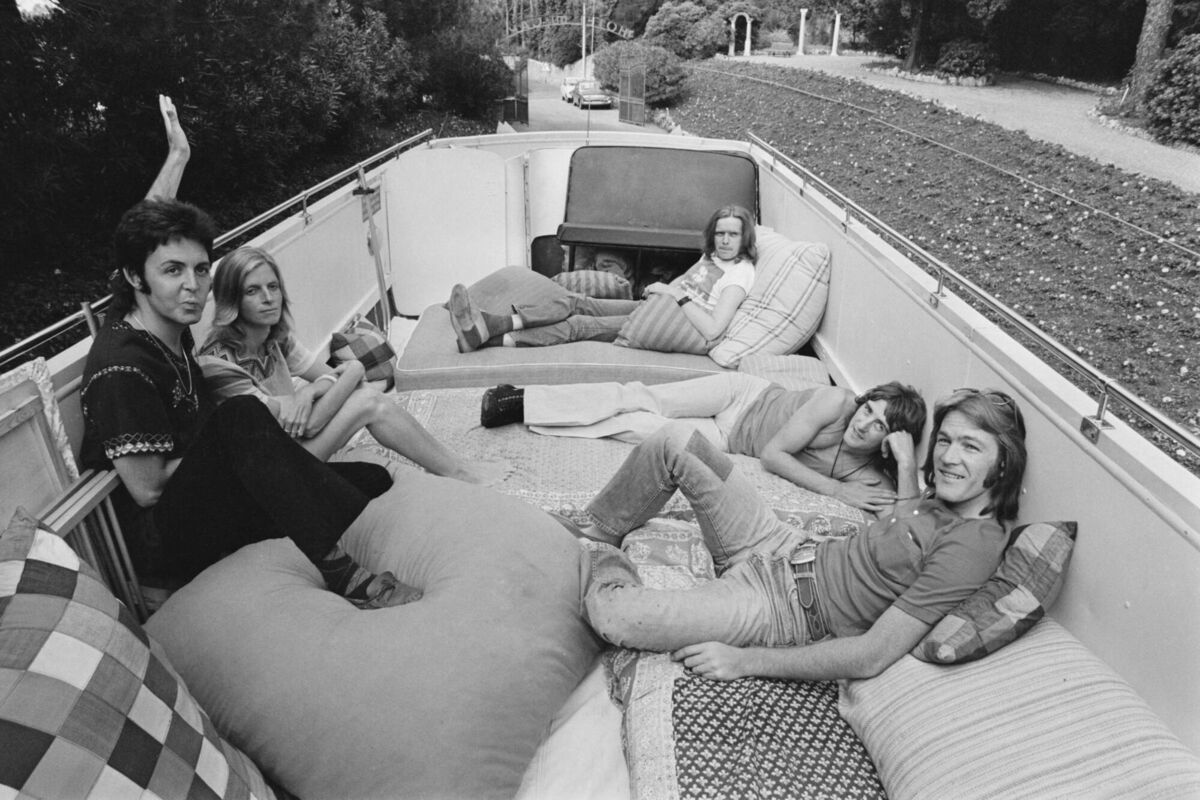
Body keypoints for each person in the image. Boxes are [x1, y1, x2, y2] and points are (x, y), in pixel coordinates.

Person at [79, 98, 404, 607]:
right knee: (240, 416)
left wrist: (178, 157)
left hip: (208, 499)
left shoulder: (166, 323)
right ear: (135, 278)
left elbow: (142, 236)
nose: (194, 287)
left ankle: (304, 522)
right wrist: (245, 457)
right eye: (173, 272)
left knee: (372, 477)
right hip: (163, 546)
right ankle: (345, 575)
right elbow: (147, 491)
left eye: (202, 269)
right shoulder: (122, 366)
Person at [574, 387, 1027, 681]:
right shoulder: (949, 494)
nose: (948, 457)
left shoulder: (974, 545)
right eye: (945, 441)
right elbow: (906, 522)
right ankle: (602, 529)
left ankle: (592, 550)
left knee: (614, 615)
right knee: (679, 441)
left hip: (782, 609)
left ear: (1003, 463)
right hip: (781, 543)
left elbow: (870, 655)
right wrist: (908, 465)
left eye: (971, 446)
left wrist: (746, 661)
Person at [197, 245, 511, 486]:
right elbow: (306, 425)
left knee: (364, 394)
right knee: (369, 401)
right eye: (253, 291)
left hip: (290, 447)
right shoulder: (217, 362)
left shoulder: (274, 338)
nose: (269, 298)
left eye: (273, 287)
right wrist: (354, 371)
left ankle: (449, 465)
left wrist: (309, 393)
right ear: (232, 300)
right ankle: (454, 470)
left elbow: (323, 379)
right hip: (267, 473)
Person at [479, 377, 926, 514]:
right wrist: (834, 491)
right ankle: (521, 399)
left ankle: (535, 415)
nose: (864, 424)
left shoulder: (865, 473)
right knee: (645, 396)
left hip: (732, 440)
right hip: (741, 396)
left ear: (890, 444)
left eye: (880, 427)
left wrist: (906, 466)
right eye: (869, 410)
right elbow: (774, 456)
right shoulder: (836, 402)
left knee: (641, 430)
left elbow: (909, 517)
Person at [447, 205, 758, 351]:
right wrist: (661, 290)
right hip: (661, 307)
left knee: (578, 325)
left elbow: (715, 329)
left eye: (733, 234)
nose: (725, 240)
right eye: (720, 233)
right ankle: (494, 324)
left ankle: (491, 338)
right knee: (575, 302)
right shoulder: (712, 256)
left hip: (674, 325)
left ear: (745, 237)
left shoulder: (740, 273)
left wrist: (675, 295)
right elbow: (686, 282)